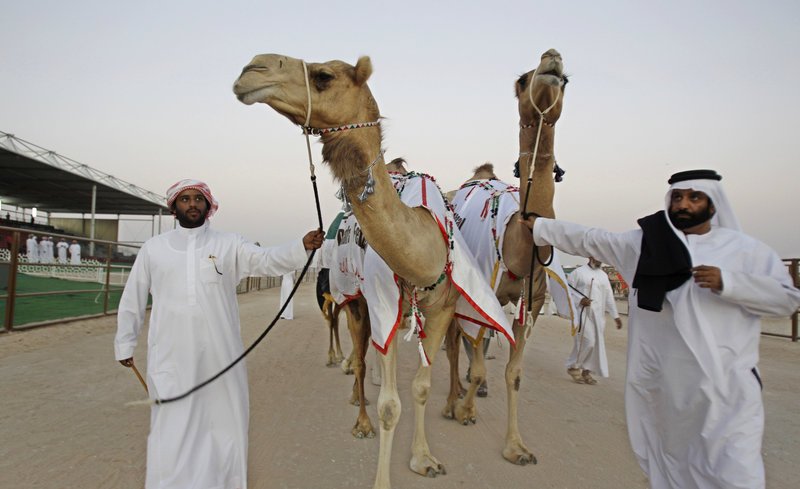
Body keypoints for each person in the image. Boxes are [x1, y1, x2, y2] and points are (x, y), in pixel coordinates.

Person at [524, 169, 800, 489]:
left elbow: (786, 301)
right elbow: (591, 238)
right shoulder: (644, 244)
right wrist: (540, 226)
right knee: (673, 469)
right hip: (668, 390)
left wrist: (730, 283)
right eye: (678, 197)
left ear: (713, 203)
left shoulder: (746, 252)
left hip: (729, 392)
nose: (684, 204)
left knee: (737, 473)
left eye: (694, 197)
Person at [114, 179, 324, 489]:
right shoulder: (154, 248)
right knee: (172, 422)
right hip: (170, 353)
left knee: (223, 420)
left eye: (198, 198)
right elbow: (133, 296)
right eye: (185, 199)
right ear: (174, 207)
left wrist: (300, 246)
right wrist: (124, 342)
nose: (192, 204)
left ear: (209, 205)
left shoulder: (229, 243)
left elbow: (264, 260)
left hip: (221, 352)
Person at [565, 256, 622, 385]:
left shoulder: (603, 275)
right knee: (588, 341)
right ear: (590, 257)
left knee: (596, 344)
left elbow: (608, 296)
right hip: (582, 314)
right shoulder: (578, 273)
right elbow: (567, 291)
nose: (600, 259)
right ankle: (573, 366)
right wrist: (579, 300)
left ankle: (586, 370)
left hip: (598, 316)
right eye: (597, 256)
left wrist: (616, 316)